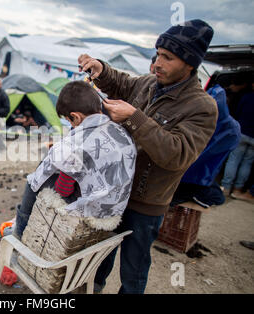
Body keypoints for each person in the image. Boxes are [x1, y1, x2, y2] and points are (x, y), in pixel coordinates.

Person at [78, 19, 217, 294]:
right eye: (157, 54)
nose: (157, 64)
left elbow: (176, 154)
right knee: (98, 257)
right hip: (114, 192)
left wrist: (134, 118)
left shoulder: (202, 107)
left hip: (146, 203)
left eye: (168, 57)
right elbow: (122, 82)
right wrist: (101, 69)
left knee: (133, 270)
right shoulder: (149, 83)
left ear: (190, 64)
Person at [13, 81, 137, 239]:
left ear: (75, 117)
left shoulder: (76, 145)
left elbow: (62, 191)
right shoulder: (122, 133)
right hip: (112, 208)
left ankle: (20, 232)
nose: (71, 125)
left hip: (86, 208)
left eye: (69, 121)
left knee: (35, 180)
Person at [221, 79, 254, 200]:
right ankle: (237, 189)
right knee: (247, 162)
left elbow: (237, 112)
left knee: (233, 160)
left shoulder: (246, 97)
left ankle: (225, 187)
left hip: (242, 132)